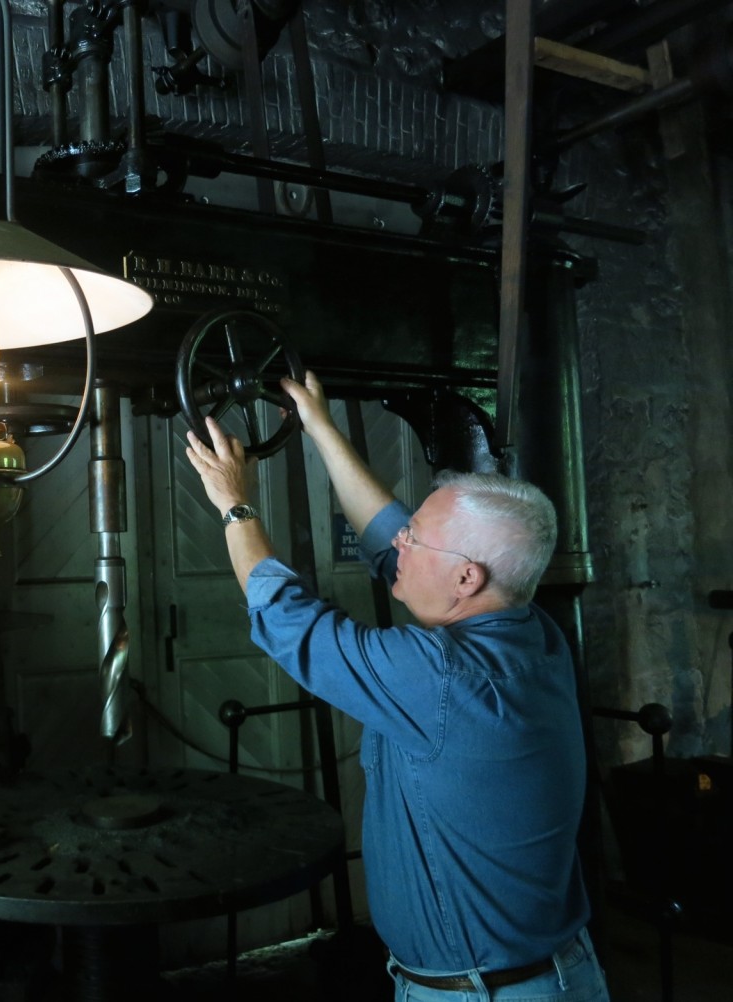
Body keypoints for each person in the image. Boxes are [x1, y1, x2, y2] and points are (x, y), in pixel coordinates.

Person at [185, 370, 610, 1001]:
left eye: (418, 538)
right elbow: (390, 541)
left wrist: (236, 504)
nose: (397, 543)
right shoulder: (532, 632)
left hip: (482, 995)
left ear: (466, 579)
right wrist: (319, 427)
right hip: (548, 974)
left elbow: (286, 621)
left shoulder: (444, 677)